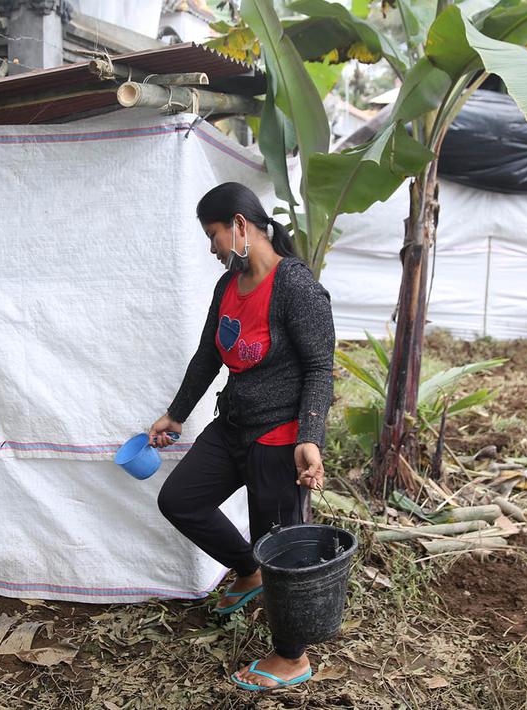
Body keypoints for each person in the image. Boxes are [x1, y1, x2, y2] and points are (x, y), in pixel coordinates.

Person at [148, 182, 335, 691]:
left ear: (238, 225)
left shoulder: (296, 287)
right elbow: (210, 355)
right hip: (231, 426)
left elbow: (320, 368)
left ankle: (292, 658)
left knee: (282, 550)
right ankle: (246, 570)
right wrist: (177, 413)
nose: (212, 248)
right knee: (181, 499)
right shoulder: (229, 284)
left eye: (213, 236)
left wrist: (309, 436)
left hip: (278, 437)